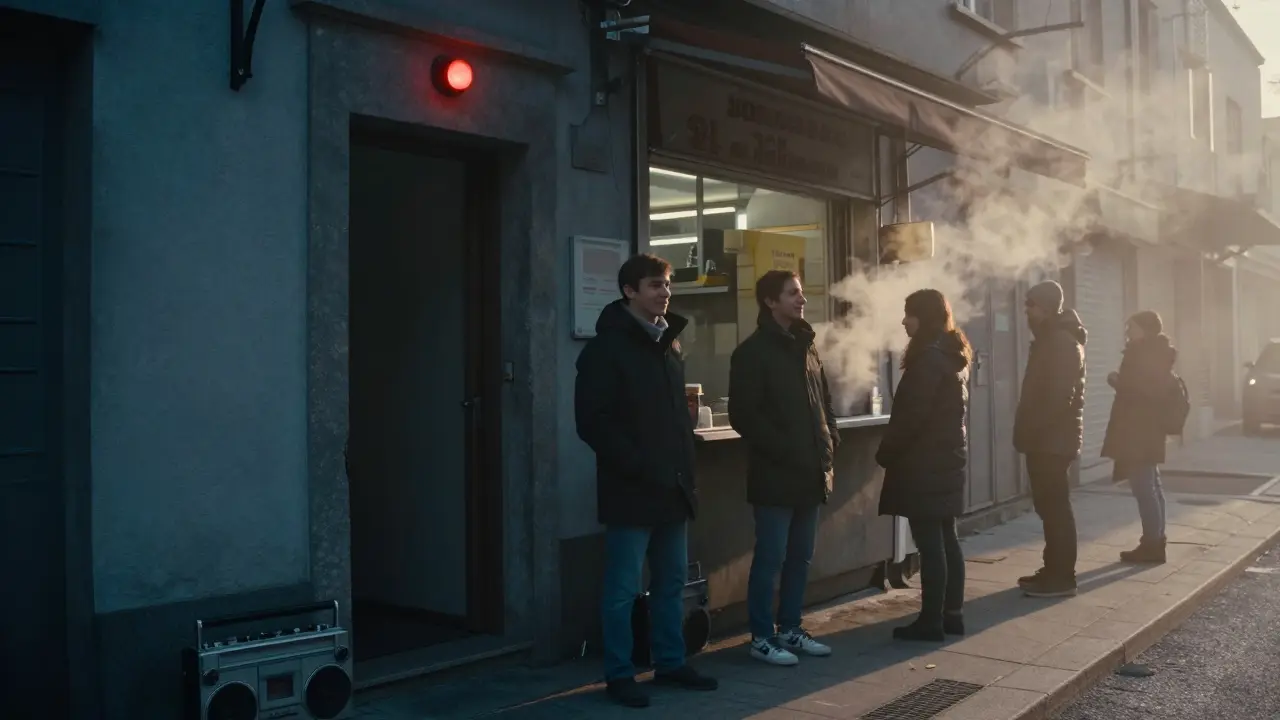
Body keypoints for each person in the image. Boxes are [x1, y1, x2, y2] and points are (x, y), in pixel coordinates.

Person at [574, 253, 719, 708]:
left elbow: (675, 417)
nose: (665, 292)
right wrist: (639, 465)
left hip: (673, 488)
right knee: (622, 589)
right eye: (655, 285)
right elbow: (592, 422)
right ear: (629, 292)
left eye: (667, 285)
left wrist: (683, 466)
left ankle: (671, 663)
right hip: (632, 489)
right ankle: (619, 674)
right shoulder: (606, 349)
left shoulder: (669, 344)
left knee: (671, 582)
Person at [729, 270, 839, 666]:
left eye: (801, 292)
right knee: (771, 557)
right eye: (793, 293)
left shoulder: (808, 347)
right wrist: (788, 450)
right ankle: (761, 636)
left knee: (800, 557)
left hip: (811, 472)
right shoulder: (752, 352)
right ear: (770, 302)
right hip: (776, 474)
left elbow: (824, 403)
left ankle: (790, 628)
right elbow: (744, 415)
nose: (802, 299)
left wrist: (830, 442)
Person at [875, 289, 972, 642]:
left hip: (924, 465)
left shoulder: (928, 360)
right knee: (947, 538)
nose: (904, 321)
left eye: (909, 313)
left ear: (925, 316)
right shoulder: (951, 355)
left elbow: (910, 419)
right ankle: (952, 614)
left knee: (931, 543)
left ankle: (931, 621)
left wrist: (885, 454)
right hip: (946, 460)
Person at [1013, 280, 1088, 598]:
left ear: (1044, 307)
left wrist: (1035, 430)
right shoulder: (1051, 339)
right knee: (1049, 507)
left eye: (1030, 305)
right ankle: (1053, 568)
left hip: (1052, 442)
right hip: (1048, 439)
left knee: (1055, 508)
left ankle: (1061, 577)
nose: (1026, 312)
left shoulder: (1059, 342)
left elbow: (1058, 397)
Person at [1102, 310, 1176, 564]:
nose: (1127, 332)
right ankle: (1155, 540)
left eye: (1131, 328)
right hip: (1145, 430)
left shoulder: (1148, 355)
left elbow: (1145, 393)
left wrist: (1117, 382)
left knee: (1145, 488)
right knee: (1152, 486)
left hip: (1140, 431)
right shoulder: (1152, 353)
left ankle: (1152, 545)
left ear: (1144, 330)